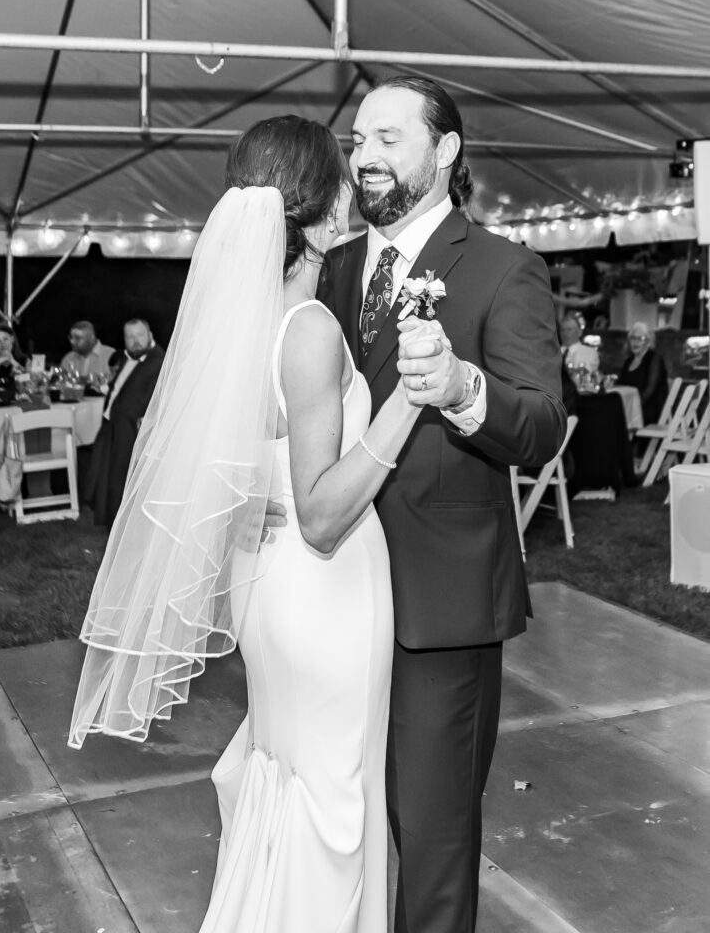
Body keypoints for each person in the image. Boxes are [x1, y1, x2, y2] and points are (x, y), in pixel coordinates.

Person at [68, 116, 424, 933]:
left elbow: (241, 477)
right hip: (326, 592)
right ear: (320, 205)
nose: (353, 186)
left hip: (266, 588)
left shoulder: (245, 327)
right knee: (332, 792)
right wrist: (413, 394)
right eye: (343, 174)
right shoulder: (307, 329)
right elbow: (326, 514)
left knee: (284, 771)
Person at [261, 74, 561, 932]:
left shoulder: (504, 268)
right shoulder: (333, 264)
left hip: (438, 607)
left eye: (390, 139)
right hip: (329, 603)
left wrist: (467, 388)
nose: (366, 158)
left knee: (428, 837)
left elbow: (540, 425)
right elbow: (282, 403)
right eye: (357, 141)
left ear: (446, 150)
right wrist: (263, 491)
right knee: (335, 823)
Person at [86, 318, 164, 528]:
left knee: (121, 478)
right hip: (114, 424)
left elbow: (154, 399)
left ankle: (121, 524)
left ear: (149, 334)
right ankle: (111, 521)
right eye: (130, 336)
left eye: (139, 335)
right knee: (108, 475)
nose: (135, 341)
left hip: (132, 428)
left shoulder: (159, 361)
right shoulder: (126, 357)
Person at [618, 321, 668, 424]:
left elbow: (649, 391)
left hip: (648, 410)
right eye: (632, 338)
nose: (635, 342)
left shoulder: (655, 359)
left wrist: (631, 408)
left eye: (640, 338)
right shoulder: (628, 361)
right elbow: (620, 386)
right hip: (629, 408)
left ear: (649, 342)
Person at [0, 322, 25, 395]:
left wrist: (13, 361)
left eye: (5, 339)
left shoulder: (24, 360)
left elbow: (30, 386)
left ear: (12, 339)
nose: (3, 344)